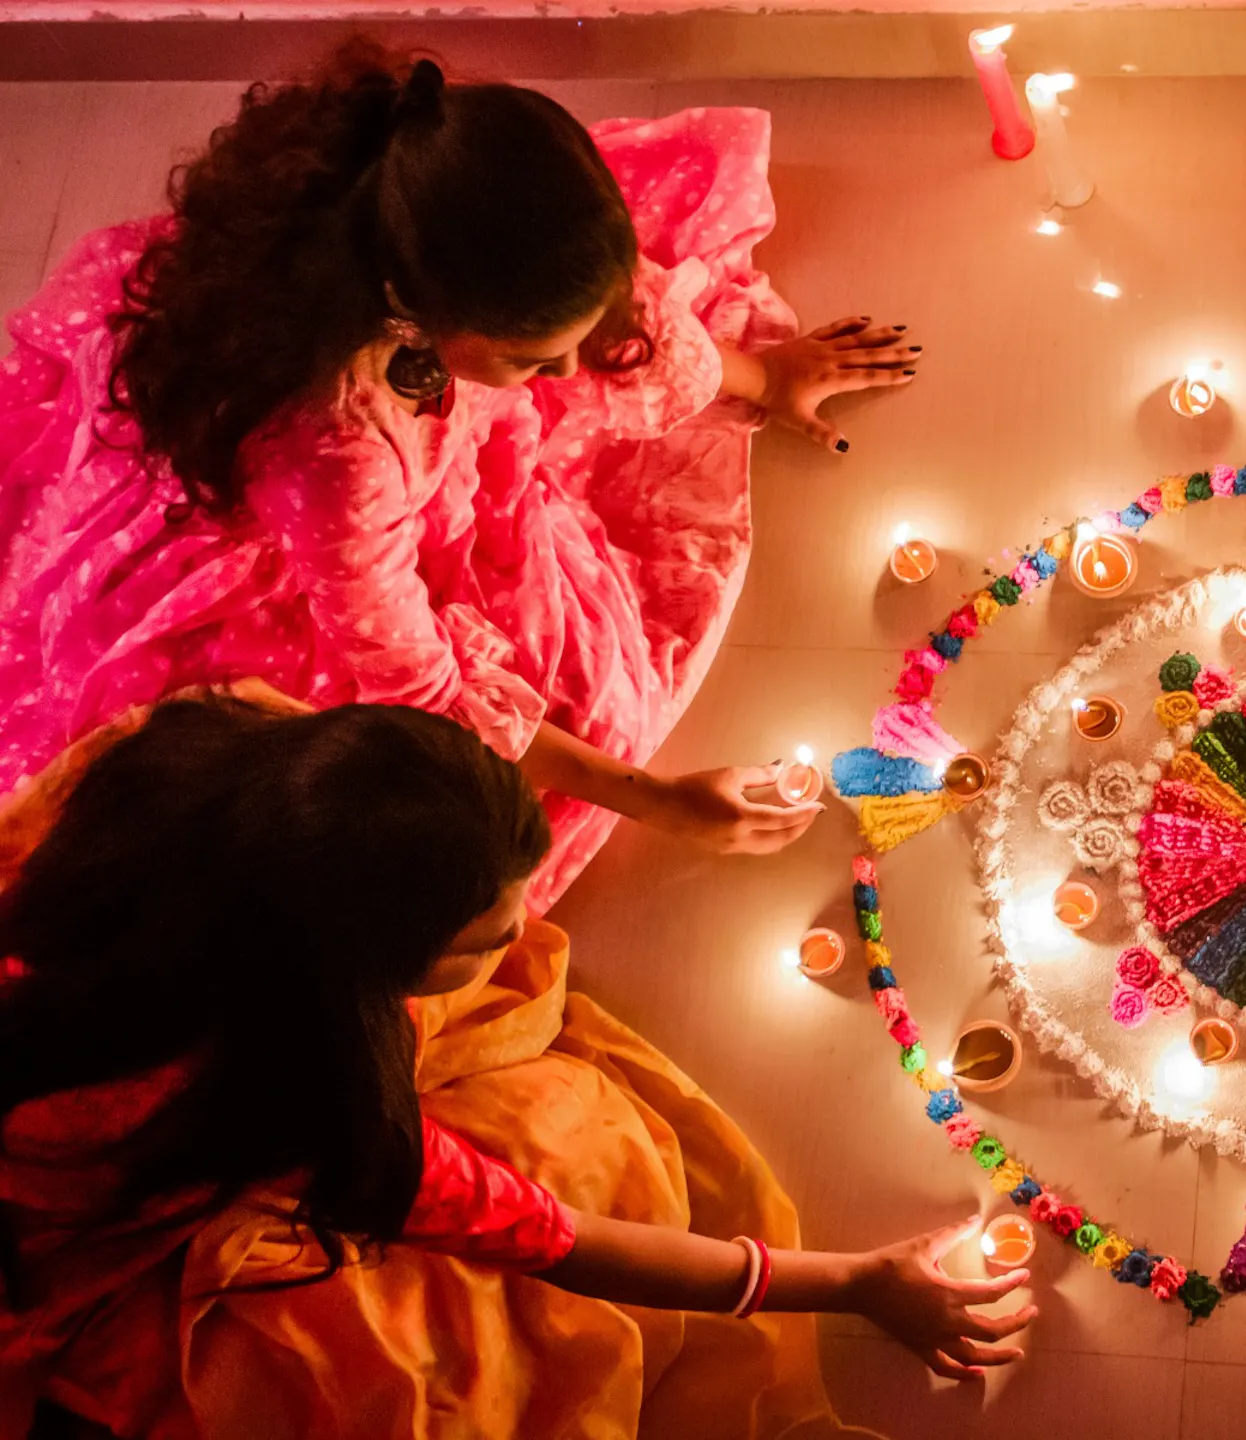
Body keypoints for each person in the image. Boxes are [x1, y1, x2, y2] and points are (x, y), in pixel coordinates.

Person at [0, 42, 919, 911]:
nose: (564, 383)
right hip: (288, 565)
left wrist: (768, 378)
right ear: (413, 315)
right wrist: (658, 799)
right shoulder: (336, 459)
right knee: (519, 756)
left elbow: (616, 329)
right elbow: (422, 692)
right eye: (530, 359)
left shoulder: (444, 219)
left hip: (377, 439)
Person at [0, 689, 1033, 1440]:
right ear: (352, 972)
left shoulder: (186, 751)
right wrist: (855, 1282)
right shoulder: (296, 1100)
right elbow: (557, 1239)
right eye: (483, 939)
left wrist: (661, 797)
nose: (523, 937)